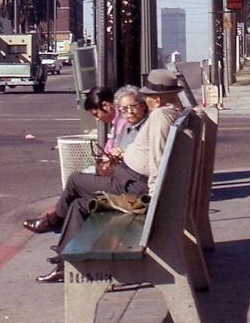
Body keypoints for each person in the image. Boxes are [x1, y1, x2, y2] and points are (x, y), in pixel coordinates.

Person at [24, 69, 182, 283]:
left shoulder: (161, 117)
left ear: (156, 98)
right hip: (129, 179)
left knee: (75, 181)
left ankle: (52, 221)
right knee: (79, 204)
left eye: (147, 96)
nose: (146, 99)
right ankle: (65, 262)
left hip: (133, 185)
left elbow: (157, 161)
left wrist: (153, 203)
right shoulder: (167, 114)